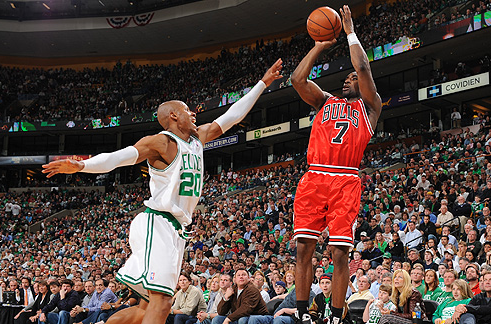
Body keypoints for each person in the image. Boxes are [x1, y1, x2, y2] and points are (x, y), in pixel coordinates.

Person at [42, 60, 283, 324]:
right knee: (163, 300)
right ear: (173, 116)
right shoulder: (161, 142)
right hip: (158, 223)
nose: (194, 115)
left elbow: (232, 116)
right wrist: (83, 165)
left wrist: (262, 83)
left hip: (176, 230)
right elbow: (120, 157)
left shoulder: (197, 139)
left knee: (148, 309)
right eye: (187, 110)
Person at [291, 7, 382, 324]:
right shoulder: (324, 101)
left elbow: (364, 67)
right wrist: (318, 44)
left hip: (345, 180)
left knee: (340, 253)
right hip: (314, 178)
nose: (348, 79)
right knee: (304, 249)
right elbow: (297, 79)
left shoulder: (370, 107)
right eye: (345, 78)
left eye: (352, 78)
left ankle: (336, 316)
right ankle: (304, 315)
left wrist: (349, 32)